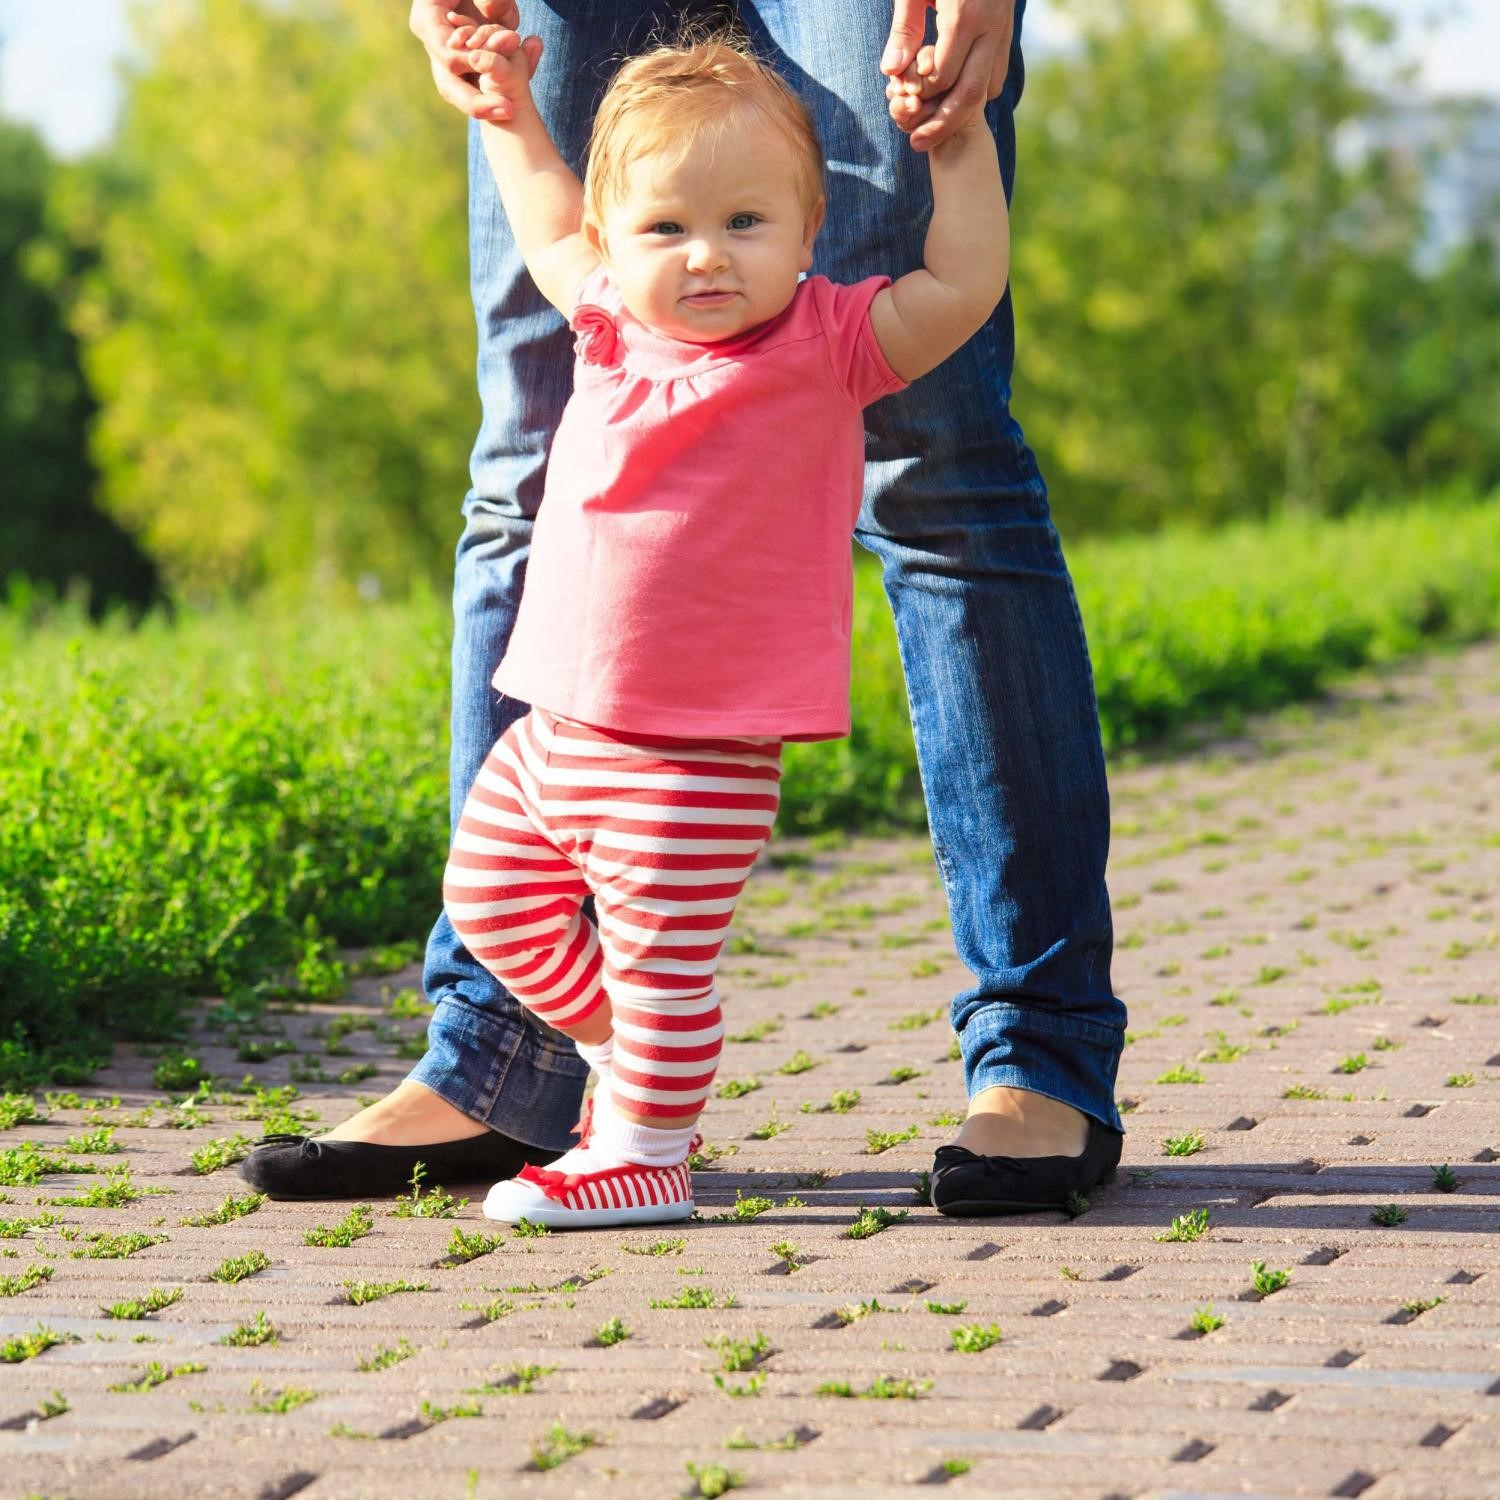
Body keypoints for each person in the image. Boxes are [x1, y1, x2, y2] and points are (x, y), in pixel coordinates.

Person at [240, 0, 1127, 1218]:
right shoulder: (608, 312)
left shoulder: (828, 339)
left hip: (696, 755)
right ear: (619, 241)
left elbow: (959, 283)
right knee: (517, 483)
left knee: (941, 465)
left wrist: (957, 141)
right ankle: (536, 1065)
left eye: (747, 224)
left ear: (812, 229)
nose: (707, 255)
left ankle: (687, 1135)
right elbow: (555, 217)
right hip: (560, 733)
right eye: (670, 230)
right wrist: (503, 111)